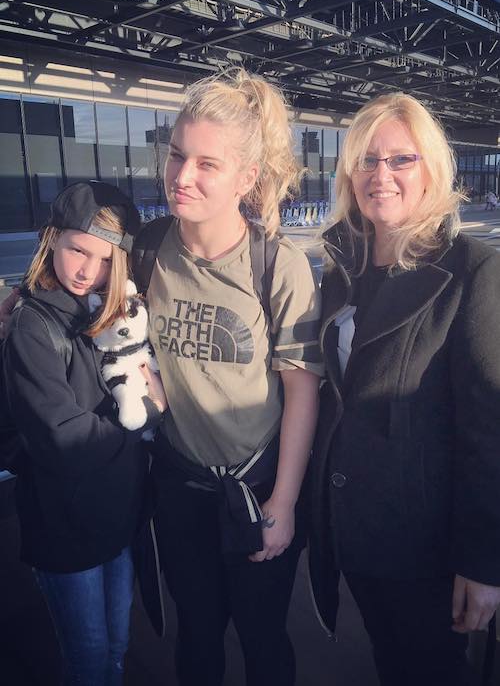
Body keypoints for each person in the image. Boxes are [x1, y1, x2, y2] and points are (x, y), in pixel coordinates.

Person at [309, 92, 500, 686]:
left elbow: (487, 430)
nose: (380, 175)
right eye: (367, 160)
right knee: (392, 663)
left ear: (432, 171)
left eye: (401, 160)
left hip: (426, 548)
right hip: (356, 532)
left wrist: (483, 560)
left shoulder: (472, 270)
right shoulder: (341, 269)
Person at [145, 68, 322, 686]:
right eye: (175, 155)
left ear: (247, 177)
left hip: (258, 486)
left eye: (207, 164)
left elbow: (301, 389)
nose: (181, 176)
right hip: (181, 485)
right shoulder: (146, 251)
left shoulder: (279, 264)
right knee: (196, 635)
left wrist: (285, 501)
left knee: (262, 638)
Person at [1, 181, 166, 686]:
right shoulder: (33, 324)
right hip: (64, 527)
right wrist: (141, 416)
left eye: (103, 260)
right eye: (77, 249)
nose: (86, 270)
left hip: (118, 520)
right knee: (90, 658)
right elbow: (64, 439)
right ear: (52, 239)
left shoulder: (112, 311)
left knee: (116, 648)